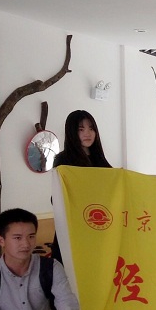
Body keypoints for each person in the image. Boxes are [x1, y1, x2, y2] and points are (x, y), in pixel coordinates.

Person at [51, 109, 112, 262]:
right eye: (81, 129)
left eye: (91, 128)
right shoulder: (63, 160)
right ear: (72, 132)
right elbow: (57, 196)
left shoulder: (101, 162)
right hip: (73, 226)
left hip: (97, 227)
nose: (87, 133)